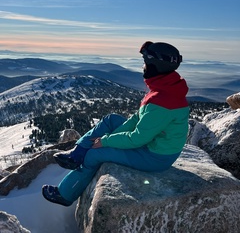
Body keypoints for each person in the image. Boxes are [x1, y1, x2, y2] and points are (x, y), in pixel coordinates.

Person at [42, 41, 189, 207]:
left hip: (154, 156)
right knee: (111, 119)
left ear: (156, 66)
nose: (143, 67)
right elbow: (137, 118)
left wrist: (105, 141)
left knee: (94, 155)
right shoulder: (166, 88)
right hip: (153, 143)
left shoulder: (163, 102)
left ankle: (65, 194)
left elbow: (137, 139)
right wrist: (113, 135)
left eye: (146, 63)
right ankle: (76, 154)